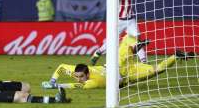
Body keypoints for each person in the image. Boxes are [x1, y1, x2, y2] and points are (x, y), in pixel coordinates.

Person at [42, 35, 192, 89]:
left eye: (81, 76)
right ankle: (176, 56)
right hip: (128, 75)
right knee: (157, 70)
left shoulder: (89, 80)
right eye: (78, 76)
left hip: (115, 65)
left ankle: (136, 46)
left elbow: (66, 73)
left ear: (87, 71)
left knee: (125, 43)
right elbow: (63, 70)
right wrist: (54, 82)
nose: (79, 78)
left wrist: (55, 83)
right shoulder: (87, 80)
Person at [91, 0, 147, 65]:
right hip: (119, 20)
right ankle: (99, 52)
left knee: (137, 39)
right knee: (113, 41)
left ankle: (144, 61)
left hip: (130, 20)